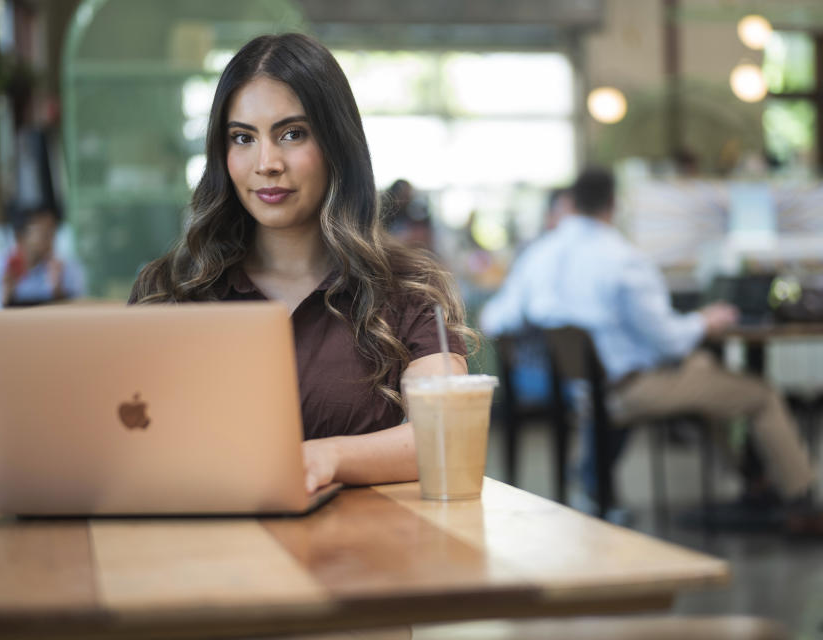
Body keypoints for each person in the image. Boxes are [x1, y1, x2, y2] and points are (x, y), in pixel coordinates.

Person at [128, 33, 473, 495]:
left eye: (292, 133)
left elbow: (447, 434)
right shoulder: (169, 289)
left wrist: (325, 457)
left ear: (335, 143)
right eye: (243, 138)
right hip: (203, 554)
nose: (267, 163)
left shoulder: (407, 288)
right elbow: (125, 442)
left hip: (369, 554)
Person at [479, 168, 819, 530]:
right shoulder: (624, 258)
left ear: (571, 203)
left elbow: (494, 320)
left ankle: (756, 484)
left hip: (579, 390)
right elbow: (668, 339)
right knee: (760, 393)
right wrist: (705, 320)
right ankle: (802, 501)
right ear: (613, 205)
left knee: (705, 370)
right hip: (629, 391)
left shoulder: (539, 254)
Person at [0, 204, 86, 310]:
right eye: (43, 233)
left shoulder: (67, 268)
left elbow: (78, 313)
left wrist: (58, 291)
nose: (51, 239)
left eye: (53, 231)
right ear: (19, 236)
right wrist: (5, 295)